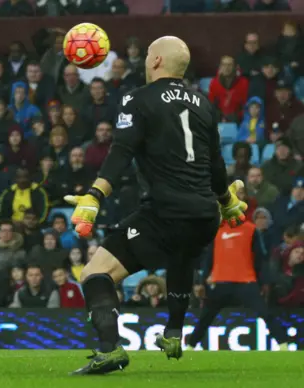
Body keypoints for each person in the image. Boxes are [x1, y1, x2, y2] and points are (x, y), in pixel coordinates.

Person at [66, 36, 248, 375]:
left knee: (95, 273)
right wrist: (226, 202)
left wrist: (94, 195)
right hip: (205, 214)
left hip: (166, 211)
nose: (147, 58)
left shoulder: (137, 99)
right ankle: (174, 332)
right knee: (182, 254)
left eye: (149, 54)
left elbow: (122, 151)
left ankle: (110, 349)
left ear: (156, 62)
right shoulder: (204, 103)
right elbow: (216, 166)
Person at [186, 219, 289, 350]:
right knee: (206, 316)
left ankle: (283, 344)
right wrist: (201, 282)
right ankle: (190, 346)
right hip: (221, 281)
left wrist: (264, 282)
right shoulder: (217, 230)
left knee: (265, 313)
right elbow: (209, 259)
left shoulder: (251, 229)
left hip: (245, 281)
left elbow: (259, 259)